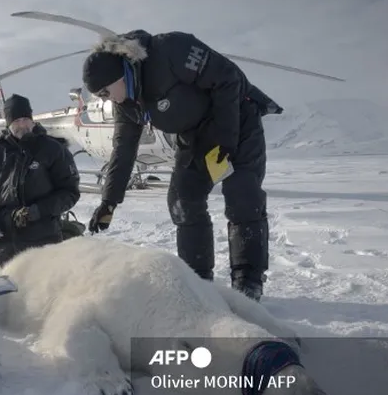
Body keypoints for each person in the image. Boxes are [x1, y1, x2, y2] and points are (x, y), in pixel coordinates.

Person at [80, 30, 284, 302]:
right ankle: (197, 280)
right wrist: (109, 201)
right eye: (100, 96)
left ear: (120, 72)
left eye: (105, 91)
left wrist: (225, 139)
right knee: (182, 199)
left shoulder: (171, 51)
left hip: (238, 121)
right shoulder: (127, 105)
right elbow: (124, 150)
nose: (107, 99)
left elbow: (228, 78)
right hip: (195, 138)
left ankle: (248, 281)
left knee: (242, 197)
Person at [0, 94, 81, 270]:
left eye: (25, 119)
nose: (22, 125)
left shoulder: (53, 150)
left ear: (32, 120)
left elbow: (70, 192)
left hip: (42, 236)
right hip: (1, 239)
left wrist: (37, 211)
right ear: (9, 124)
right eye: (17, 121)